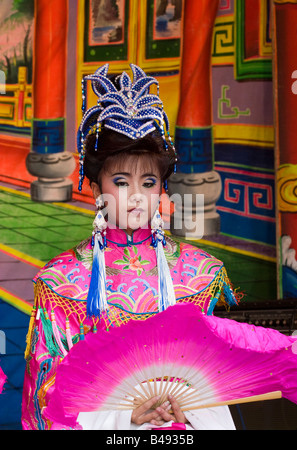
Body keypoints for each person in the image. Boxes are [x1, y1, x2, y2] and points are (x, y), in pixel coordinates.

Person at [22, 64, 238, 430]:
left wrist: (189, 411)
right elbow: (44, 398)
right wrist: (123, 418)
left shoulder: (201, 273)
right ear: (95, 189)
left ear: (162, 189)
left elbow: (218, 380)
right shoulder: (63, 283)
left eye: (149, 181)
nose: (137, 196)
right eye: (121, 181)